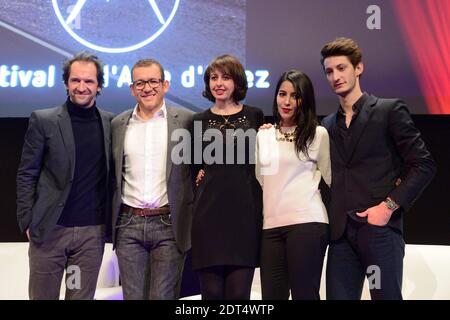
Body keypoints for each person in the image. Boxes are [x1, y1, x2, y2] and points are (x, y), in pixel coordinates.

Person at [320, 37, 436, 300]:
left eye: (341, 68)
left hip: (379, 232)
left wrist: (388, 207)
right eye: (329, 71)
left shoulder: (388, 110)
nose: (335, 76)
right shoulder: (326, 125)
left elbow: (424, 164)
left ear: (358, 68)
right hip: (340, 237)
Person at [16, 52, 113, 300]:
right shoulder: (44, 120)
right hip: (50, 231)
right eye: (75, 80)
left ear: (99, 85)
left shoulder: (110, 123)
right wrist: (27, 220)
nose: (81, 87)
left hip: (90, 236)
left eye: (89, 81)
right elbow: (27, 173)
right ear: (66, 83)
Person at [111, 59, 194, 300]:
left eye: (153, 81)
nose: (147, 88)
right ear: (132, 88)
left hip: (169, 224)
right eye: (140, 83)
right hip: (128, 224)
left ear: (165, 85)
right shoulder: (118, 124)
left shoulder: (187, 121)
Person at [192, 54, 264, 300]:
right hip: (207, 220)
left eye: (225, 77)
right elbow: (193, 171)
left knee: (238, 295)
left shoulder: (255, 116)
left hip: (244, 218)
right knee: (210, 295)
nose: (219, 83)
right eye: (213, 78)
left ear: (237, 82)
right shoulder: (197, 121)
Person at [256, 70, 331, 300]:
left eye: (295, 96)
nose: (287, 102)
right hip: (271, 226)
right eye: (282, 94)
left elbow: (331, 177)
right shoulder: (263, 135)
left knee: (305, 295)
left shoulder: (318, 134)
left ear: (304, 101)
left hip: (307, 223)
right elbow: (261, 178)